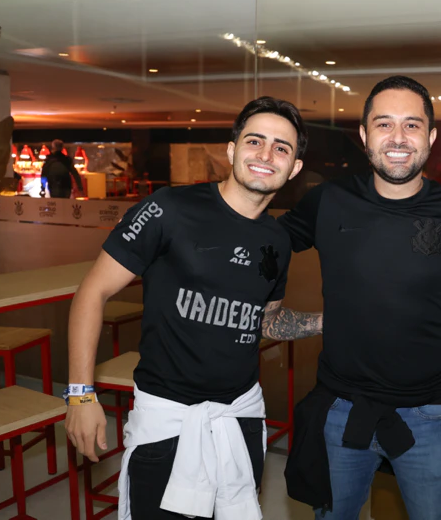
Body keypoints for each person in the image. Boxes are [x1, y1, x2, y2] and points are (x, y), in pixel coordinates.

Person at [64, 97, 323, 520]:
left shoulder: (276, 240)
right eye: (255, 141)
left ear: (293, 168)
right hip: (168, 419)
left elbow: (267, 321)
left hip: (239, 416)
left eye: (281, 148)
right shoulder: (169, 208)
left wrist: (329, 322)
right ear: (232, 149)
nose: (265, 154)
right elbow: (92, 292)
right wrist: (80, 395)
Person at [280, 76, 441, 520]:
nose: (398, 138)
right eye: (384, 124)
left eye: (412, 125)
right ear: (364, 135)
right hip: (341, 412)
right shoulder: (329, 200)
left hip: (431, 416)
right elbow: (265, 245)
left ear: (431, 136)